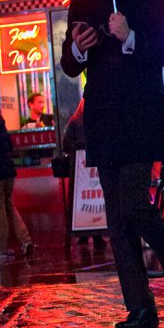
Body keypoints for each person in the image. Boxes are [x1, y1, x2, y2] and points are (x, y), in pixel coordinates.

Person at [60, 0, 164, 328]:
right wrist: (79, 48)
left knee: (135, 202)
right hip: (103, 119)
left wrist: (131, 35)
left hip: (140, 116)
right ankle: (140, 308)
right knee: (116, 219)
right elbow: (69, 65)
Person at [0, 93, 33, 260]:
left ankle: (2, 248)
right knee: (9, 207)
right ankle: (25, 240)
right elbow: (9, 146)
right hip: (7, 171)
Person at [62, 99, 107, 250]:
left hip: (80, 172)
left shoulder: (75, 122)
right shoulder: (100, 119)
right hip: (97, 167)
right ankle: (97, 235)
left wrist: (77, 150)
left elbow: (66, 144)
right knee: (97, 198)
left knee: (81, 200)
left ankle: (82, 232)